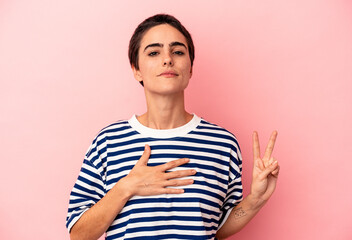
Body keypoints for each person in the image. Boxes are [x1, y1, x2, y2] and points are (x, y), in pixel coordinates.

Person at [66, 14, 280, 240]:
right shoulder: (108, 142)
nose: (167, 59)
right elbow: (79, 234)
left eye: (178, 52)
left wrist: (256, 200)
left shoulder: (222, 144)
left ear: (190, 69)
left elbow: (217, 228)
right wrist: (126, 187)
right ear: (136, 69)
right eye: (153, 52)